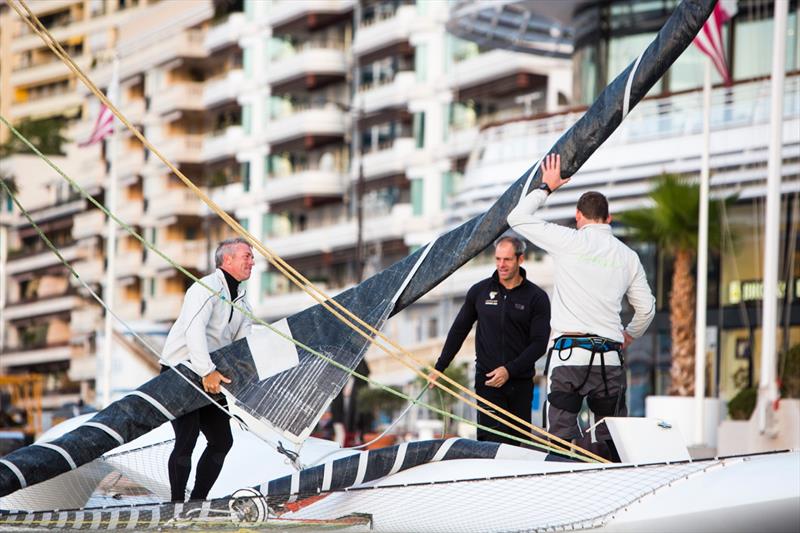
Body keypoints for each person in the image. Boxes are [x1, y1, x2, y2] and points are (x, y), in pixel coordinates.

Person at [507, 153, 656, 461]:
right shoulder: (627, 256)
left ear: (579, 217)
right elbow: (647, 309)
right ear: (608, 219)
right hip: (610, 359)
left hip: (569, 356)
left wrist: (547, 187)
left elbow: (516, 219)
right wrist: (628, 335)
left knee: (560, 438)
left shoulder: (569, 241)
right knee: (611, 439)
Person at [159, 237, 255, 501]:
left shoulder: (244, 302)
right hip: (181, 370)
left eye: (252, 257)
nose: (252, 262)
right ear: (228, 260)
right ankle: (176, 505)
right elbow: (194, 330)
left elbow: (243, 347)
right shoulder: (205, 288)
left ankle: (197, 503)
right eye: (246, 256)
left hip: (211, 375)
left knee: (222, 441)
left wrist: (243, 387)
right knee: (186, 439)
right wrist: (206, 371)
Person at [432, 236, 551, 445]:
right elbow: (459, 330)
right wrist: (440, 367)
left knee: (517, 446)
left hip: (520, 384)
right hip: (487, 382)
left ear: (520, 259)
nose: (501, 265)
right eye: (497, 259)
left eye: (507, 260)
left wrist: (509, 370)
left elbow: (539, 343)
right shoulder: (480, 291)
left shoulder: (536, 297)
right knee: (491, 445)